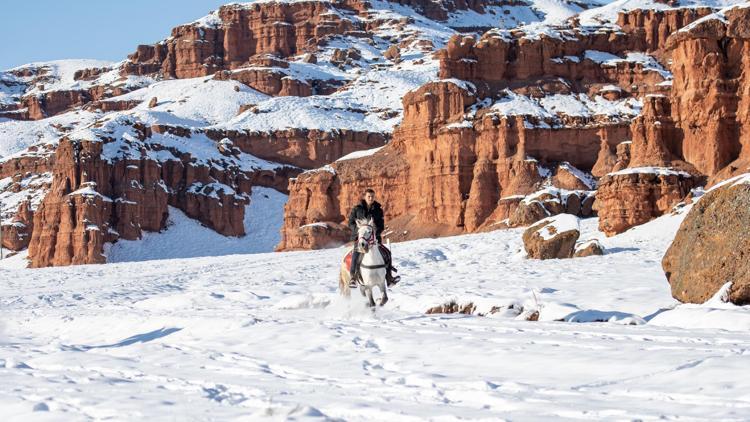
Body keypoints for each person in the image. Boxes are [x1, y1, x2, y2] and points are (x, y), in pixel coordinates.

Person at [348, 189, 399, 287]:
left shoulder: (378, 209)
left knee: (387, 253)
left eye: (372, 196)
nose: (371, 198)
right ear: (365, 197)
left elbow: (381, 225)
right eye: (369, 196)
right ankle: (353, 278)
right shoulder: (357, 209)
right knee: (356, 254)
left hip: (374, 239)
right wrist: (360, 231)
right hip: (361, 238)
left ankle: (389, 278)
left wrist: (374, 233)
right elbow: (350, 223)